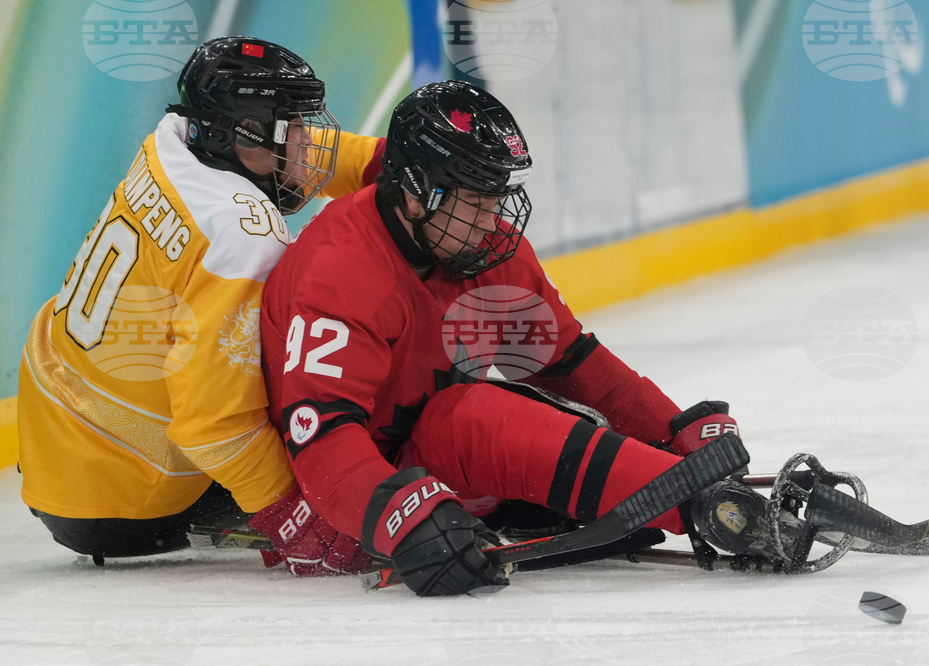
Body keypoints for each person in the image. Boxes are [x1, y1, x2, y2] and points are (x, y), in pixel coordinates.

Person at [259, 80, 747, 596]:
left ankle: (684, 492)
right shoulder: (339, 271)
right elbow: (324, 443)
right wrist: (403, 519)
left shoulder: (482, 242)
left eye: (499, 194)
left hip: (427, 468)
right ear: (417, 192)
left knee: (569, 424)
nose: (495, 218)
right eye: (476, 198)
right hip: (349, 506)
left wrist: (673, 426)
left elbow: (567, 360)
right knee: (469, 416)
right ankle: (696, 506)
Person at [17, 37, 382, 574]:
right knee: (308, 351)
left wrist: (396, 162)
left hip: (57, 440)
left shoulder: (174, 144)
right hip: (125, 495)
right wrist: (287, 510)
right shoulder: (242, 233)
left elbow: (283, 159)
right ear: (246, 135)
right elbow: (213, 422)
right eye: (296, 130)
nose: (312, 146)